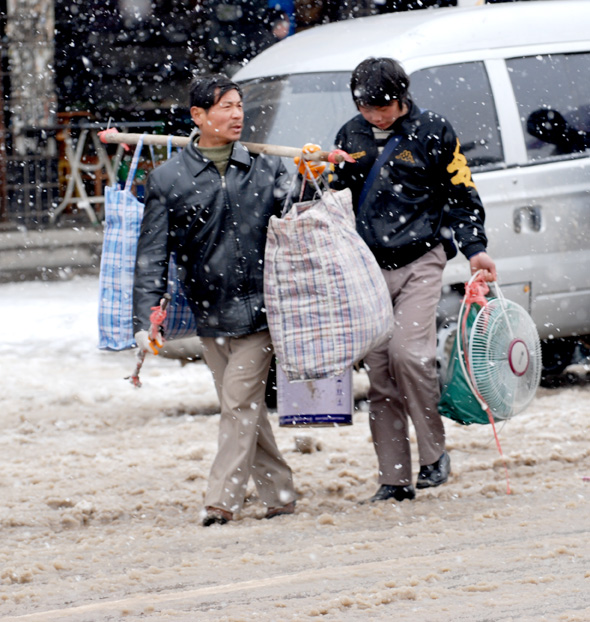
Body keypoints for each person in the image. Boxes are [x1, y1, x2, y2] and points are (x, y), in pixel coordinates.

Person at [133, 74, 309, 526]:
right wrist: (146, 315)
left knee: (237, 404)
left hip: (261, 309)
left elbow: (300, 222)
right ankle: (281, 492)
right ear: (198, 116)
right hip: (208, 312)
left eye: (239, 105)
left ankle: (221, 500)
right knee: (245, 408)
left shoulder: (267, 168)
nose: (236, 115)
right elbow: (152, 255)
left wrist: (309, 179)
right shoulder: (169, 180)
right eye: (225, 107)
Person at [331, 57, 497, 503]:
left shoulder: (434, 131)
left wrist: (474, 247)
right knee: (381, 374)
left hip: (423, 257)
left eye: (381, 107)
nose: (374, 116)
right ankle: (394, 478)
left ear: (401, 97)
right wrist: (320, 175)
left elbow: (462, 193)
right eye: (366, 107)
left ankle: (433, 454)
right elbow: (336, 194)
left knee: (410, 355)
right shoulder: (351, 134)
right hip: (368, 269)